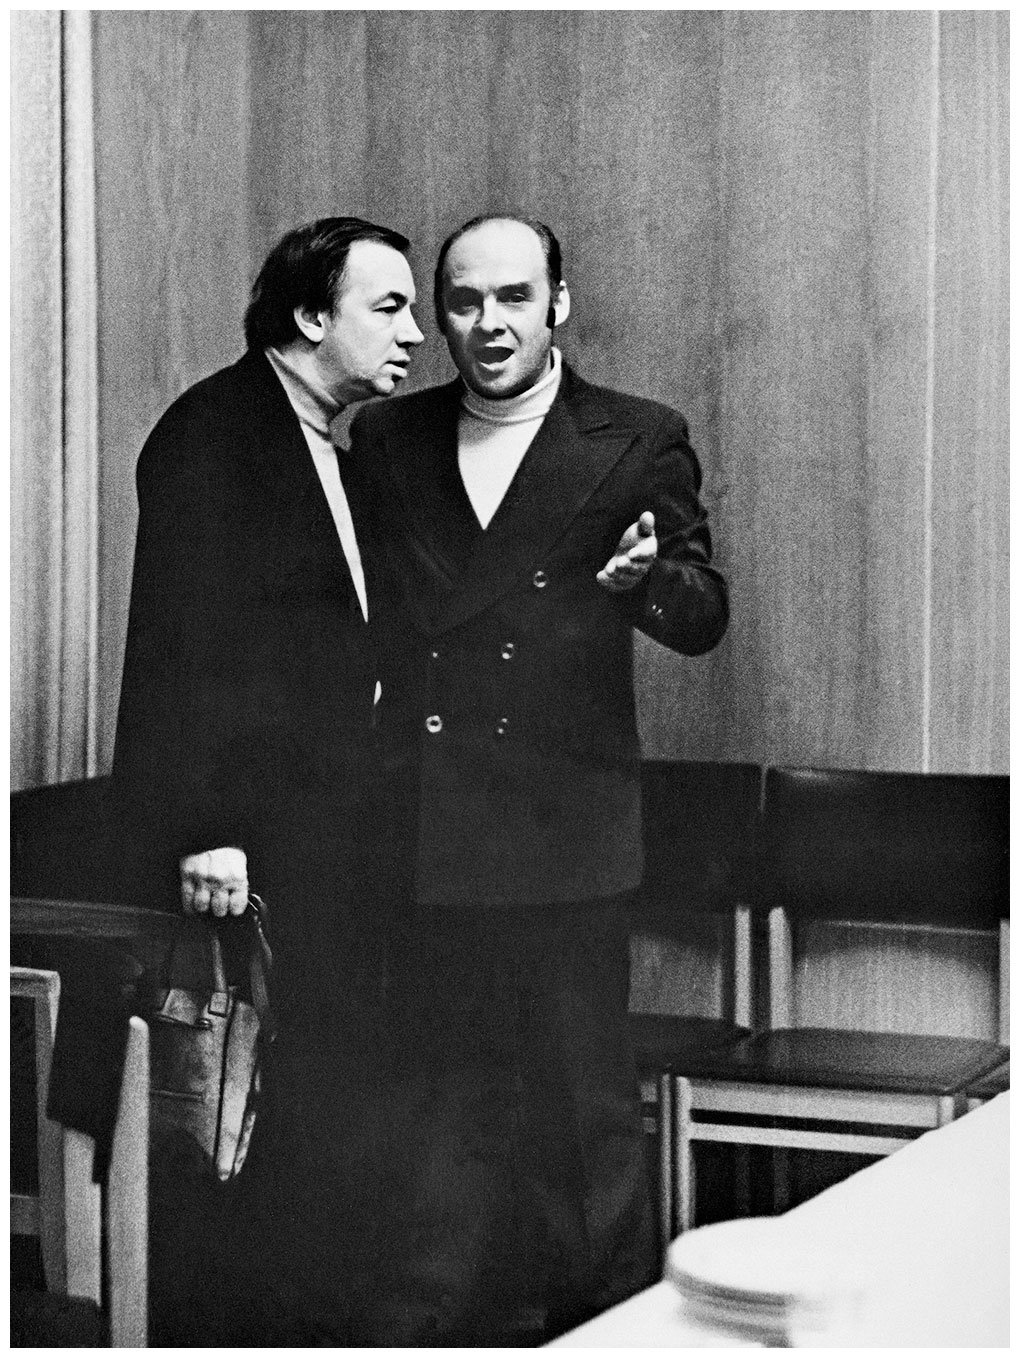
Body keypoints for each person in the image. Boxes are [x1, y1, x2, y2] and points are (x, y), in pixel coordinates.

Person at [350, 214, 729, 1345]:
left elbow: (705, 614)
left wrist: (645, 579)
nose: (489, 323)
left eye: (514, 297)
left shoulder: (638, 435)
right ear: (441, 312)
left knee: (581, 1117)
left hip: (566, 830)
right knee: (439, 1110)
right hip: (427, 825)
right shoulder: (388, 437)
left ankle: (608, 1332)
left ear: (558, 303)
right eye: (464, 301)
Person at [112, 216, 424, 1344]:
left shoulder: (338, 444)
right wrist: (206, 825)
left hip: (334, 836)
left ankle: (314, 1324)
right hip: (249, 845)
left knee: (316, 1100)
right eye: (389, 308)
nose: (416, 333)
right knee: (237, 1107)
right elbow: (179, 642)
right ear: (309, 315)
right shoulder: (215, 432)